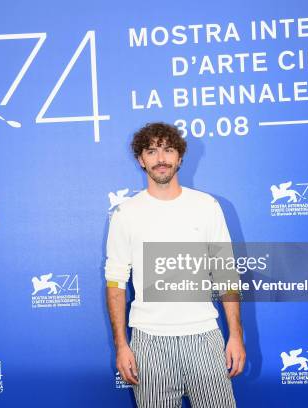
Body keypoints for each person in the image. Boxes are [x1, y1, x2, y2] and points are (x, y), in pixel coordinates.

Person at [105, 122, 245, 408]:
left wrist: (236, 335)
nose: (161, 159)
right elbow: (116, 281)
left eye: (168, 150)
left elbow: (226, 273)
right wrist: (121, 345)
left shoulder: (207, 206)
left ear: (180, 157)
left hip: (204, 337)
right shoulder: (125, 214)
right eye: (152, 151)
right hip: (149, 342)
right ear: (140, 159)